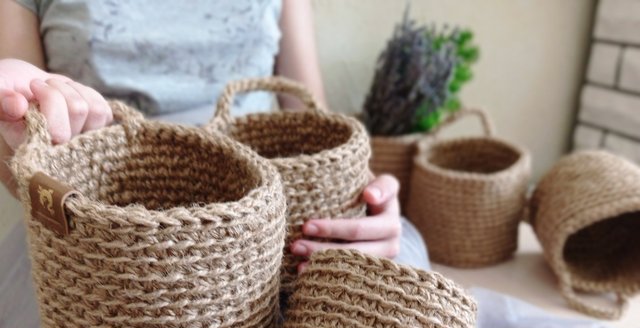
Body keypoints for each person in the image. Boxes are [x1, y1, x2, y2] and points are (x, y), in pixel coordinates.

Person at [0, 0, 429, 272]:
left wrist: (361, 195)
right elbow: (19, 142)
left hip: (278, 228)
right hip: (100, 242)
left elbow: (312, 118)